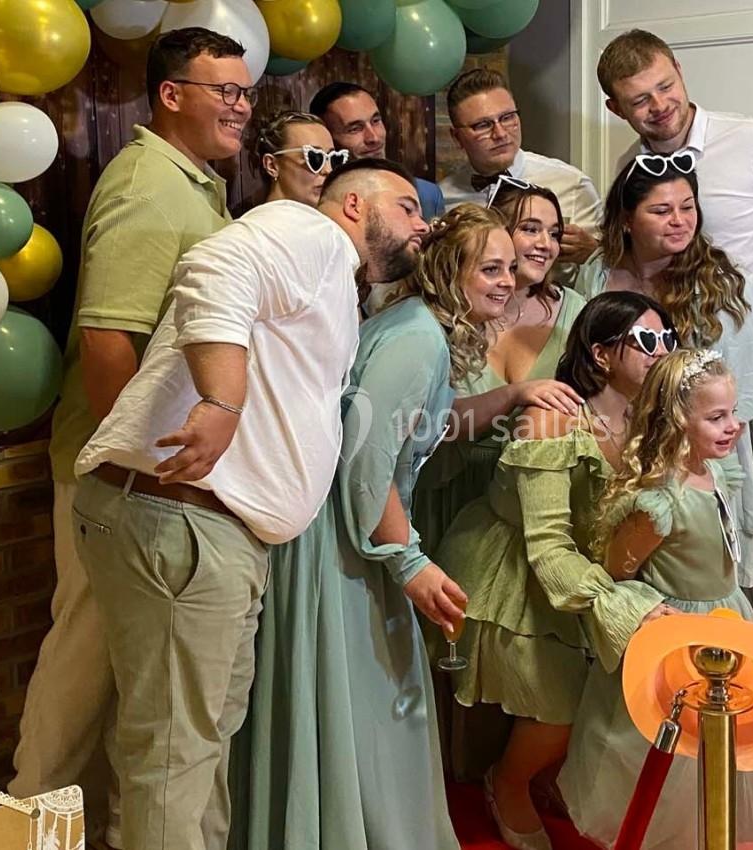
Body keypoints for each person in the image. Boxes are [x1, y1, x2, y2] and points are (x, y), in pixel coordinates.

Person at [68, 158, 429, 850]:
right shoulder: (309, 232)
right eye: (408, 206)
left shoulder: (328, 272)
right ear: (354, 205)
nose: (423, 224)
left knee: (192, 748)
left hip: (206, 529)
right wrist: (222, 401)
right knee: (175, 756)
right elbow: (214, 270)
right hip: (185, 519)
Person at [13, 26, 254, 848]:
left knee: (127, 681)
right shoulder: (150, 184)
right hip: (119, 482)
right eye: (223, 89)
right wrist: (144, 468)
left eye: (246, 91)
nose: (241, 105)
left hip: (154, 483)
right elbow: (108, 339)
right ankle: (26, 824)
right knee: (83, 667)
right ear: (170, 94)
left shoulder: (196, 183)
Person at [242, 204, 514, 850]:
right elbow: (365, 462)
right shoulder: (418, 339)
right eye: (491, 268)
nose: (507, 282)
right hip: (343, 543)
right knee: (375, 706)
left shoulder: (412, 327)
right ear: (452, 270)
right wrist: (410, 563)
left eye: (510, 269)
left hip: (351, 530)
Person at [597, 29, 753, 630]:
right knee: (702, 517)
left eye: (665, 86)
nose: (658, 104)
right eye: (639, 99)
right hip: (684, 380)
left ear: (681, 71)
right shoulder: (628, 170)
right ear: (617, 109)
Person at [437, 292, 680, 850]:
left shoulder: (652, 420)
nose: (662, 351)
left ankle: (538, 775)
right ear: (600, 354)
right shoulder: (551, 421)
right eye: (646, 341)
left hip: (586, 569)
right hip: (512, 568)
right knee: (562, 703)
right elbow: (546, 545)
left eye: (668, 338)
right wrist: (623, 607)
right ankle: (510, 782)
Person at [558, 349, 753, 850]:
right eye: (717, 417)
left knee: (721, 746)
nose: (734, 427)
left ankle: (713, 834)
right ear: (679, 420)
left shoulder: (716, 472)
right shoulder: (660, 502)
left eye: (733, 413)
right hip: (677, 633)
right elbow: (618, 573)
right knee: (670, 752)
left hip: (726, 618)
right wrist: (650, 616)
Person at [574, 155, 753, 601]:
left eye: (688, 207)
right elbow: (583, 361)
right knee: (617, 570)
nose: (680, 221)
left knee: (688, 578)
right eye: (661, 210)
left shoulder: (719, 284)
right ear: (626, 218)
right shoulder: (596, 272)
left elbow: (736, 396)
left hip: (686, 458)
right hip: (608, 442)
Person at [411, 182, 585, 558]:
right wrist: (513, 395)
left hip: (525, 504)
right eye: (530, 228)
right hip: (443, 494)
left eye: (554, 233)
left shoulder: (578, 312)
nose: (546, 244)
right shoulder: (442, 317)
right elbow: (425, 422)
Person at [439, 69, 602, 269]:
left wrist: (594, 252)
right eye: (482, 125)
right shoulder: (441, 198)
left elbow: (607, 274)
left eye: (507, 118)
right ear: (457, 137)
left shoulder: (573, 185)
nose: (500, 133)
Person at [309, 81, 445, 220]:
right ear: (327, 137)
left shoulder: (426, 195)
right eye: (355, 129)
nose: (373, 137)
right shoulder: (316, 201)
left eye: (375, 121)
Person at [256, 111, 348, 207]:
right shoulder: (252, 222)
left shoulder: (330, 220)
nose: (328, 170)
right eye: (315, 158)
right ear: (272, 165)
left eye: (334, 159)